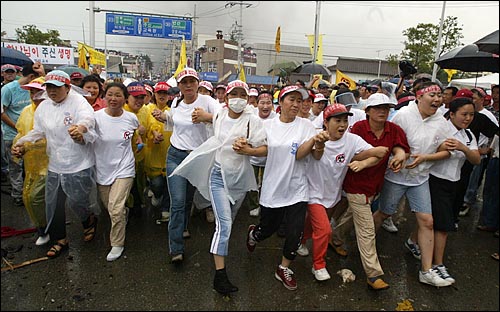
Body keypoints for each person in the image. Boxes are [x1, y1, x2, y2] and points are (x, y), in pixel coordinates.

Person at [171, 80, 267, 295]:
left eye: (243, 94)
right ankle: (220, 276)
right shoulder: (220, 115)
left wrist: (248, 151)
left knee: (229, 223)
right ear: (226, 97)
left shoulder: (253, 121)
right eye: (235, 94)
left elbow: (265, 149)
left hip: (239, 180)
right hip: (218, 176)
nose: (239, 99)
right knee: (223, 225)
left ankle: (219, 251)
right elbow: (204, 116)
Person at [373, 81, 453, 287]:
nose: (437, 99)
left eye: (439, 95)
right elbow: (390, 142)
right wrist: (398, 157)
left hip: (420, 178)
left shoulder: (442, 122)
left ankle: (426, 271)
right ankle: (364, 244)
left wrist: (425, 158)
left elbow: (446, 151)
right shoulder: (403, 115)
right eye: (432, 95)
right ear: (418, 96)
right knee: (384, 213)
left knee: (427, 220)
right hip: (397, 176)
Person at [12, 70, 98, 259]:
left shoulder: (78, 102)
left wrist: (80, 129)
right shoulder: (44, 107)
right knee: (54, 203)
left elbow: (88, 119)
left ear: (67, 87)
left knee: (78, 201)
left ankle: (88, 220)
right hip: (56, 163)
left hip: (78, 162)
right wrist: (22, 143)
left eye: (57, 87)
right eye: (49, 87)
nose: (52, 91)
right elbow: (38, 131)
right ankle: (60, 239)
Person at [299, 103, 389, 283]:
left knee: (314, 224)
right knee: (324, 230)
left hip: (333, 194)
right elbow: (315, 155)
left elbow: (378, 153)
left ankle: (301, 240)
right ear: (326, 122)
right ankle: (318, 265)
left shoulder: (352, 139)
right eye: (337, 120)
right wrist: (319, 144)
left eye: (345, 120)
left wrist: (363, 162)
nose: (342, 125)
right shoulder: (314, 135)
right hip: (313, 192)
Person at [330, 93, 410, 289]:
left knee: (351, 215)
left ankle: (334, 237)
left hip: (375, 185)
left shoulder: (393, 129)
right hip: (355, 185)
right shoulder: (357, 129)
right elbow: (353, 154)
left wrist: (399, 157)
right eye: (377, 108)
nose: (383, 111)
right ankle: (373, 274)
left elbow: (401, 148)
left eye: (386, 108)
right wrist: (368, 159)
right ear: (367, 111)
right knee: (366, 228)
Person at [246, 85, 317, 291]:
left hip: (298, 188)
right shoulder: (268, 125)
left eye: (299, 100)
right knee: (269, 229)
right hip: (273, 186)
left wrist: (316, 142)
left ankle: (284, 268)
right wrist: (247, 150)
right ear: (281, 101)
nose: (296, 104)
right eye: (291, 100)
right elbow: (262, 150)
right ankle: (255, 234)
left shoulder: (306, 126)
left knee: (295, 232)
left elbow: (304, 154)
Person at [152, 68, 220, 263]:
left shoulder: (208, 102)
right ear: (179, 86)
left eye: (192, 81)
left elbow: (225, 119)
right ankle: (176, 248)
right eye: (184, 82)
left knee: (188, 197)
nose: (188, 85)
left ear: (198, 83)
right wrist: (165, 117)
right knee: (178, 201)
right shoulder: (177, 102)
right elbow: (176, 123)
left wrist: (207, 117)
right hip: (175, 155)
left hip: (197, 157)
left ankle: (183, 227)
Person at [429, 97, 480, 284]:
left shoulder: (468, 136)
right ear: (451, 114)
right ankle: (438, 264)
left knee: (431, 221)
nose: (467, 118)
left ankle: (413, 242)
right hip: (435, 181)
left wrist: (463, 148)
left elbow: (476, 159)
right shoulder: (441, 129)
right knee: (443, 226)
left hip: (454, 183)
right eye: (463, 114)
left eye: (471, 115)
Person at [94, 82, 140, 261]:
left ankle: (117, 243)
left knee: (115, 208)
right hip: (103, 168)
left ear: (125, 98)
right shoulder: (95, 117)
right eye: (110, 94)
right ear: (104, 96)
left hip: (125, 168)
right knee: (112, 207)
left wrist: (140, 139)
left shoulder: (131, 118)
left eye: (118, 95)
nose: (113, 99)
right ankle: (123, 214)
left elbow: (136, 136)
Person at [2, 61, 45, 206]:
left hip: (34, 138)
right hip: (13, 134)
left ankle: (31, 194)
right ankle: (17, 194)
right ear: (31, 76)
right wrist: (19, 129)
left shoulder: (41, 99)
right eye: (31, 92)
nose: (33, 95)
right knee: (15, 165)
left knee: (31, 167)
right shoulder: (8, 89)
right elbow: (1, 112)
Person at [13, 77, 50, 245]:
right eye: (32, 91)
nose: (35, 95)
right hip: (32, 165)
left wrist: (30, 144)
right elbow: (21, 134)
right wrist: (18, 147)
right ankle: (42, 229)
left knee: (39, 198)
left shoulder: (54, 111)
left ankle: (51, 230)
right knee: (28, 196)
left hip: (52, 164)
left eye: (38, 91)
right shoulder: (27, 111)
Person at [246, 91, 277, 217]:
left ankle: (265, 205)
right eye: (262, 103)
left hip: (269, 158)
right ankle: (254, 205)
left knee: (267, 183)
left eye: (268, 103)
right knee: (251, 182)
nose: (265, 106)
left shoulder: (277, 118)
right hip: (251, 157)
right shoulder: (250, 115)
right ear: (257, 104)